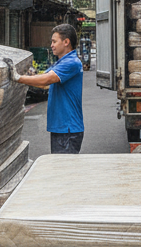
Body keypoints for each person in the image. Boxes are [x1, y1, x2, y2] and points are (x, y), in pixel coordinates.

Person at [8, 23, 84, 153]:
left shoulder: (72, 62)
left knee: (63, 170)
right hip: (60, 128)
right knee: (58, 169)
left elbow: (47, 79)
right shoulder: (61, 62)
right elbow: (42, 81)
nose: (51, 45)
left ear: (66, 42)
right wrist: (27, 75)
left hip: (68, 129)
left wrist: (17, 78)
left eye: (54, 41)